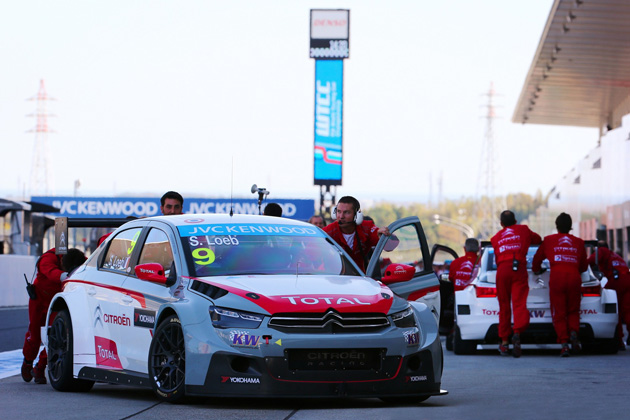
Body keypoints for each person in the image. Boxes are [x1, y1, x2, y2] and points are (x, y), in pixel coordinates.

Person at [22, 248, 85, 384]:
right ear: (61, 261)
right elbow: (50, 272)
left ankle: (40, 367)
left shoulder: (79, 259)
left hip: (56, 303)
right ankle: (27, 361)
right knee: (34, 335)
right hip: (38, 300)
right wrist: (65, 275)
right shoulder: (48, 258)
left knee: (55, 337)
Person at [532, 213, 587, 357]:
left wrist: (537, 271)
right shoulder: (579, 242)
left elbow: (536, 261)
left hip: (557, 279)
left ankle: (564, 344)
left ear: (556, 226)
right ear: (570, 227)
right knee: (574, 310)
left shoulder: (549, 240)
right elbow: (584, 267)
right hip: (574, 277)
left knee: (559, 313)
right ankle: (574, 332)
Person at [490, 210, 542, 357]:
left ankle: (505, 342)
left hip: (502, 271)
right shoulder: (523, 230)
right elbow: (538, 239)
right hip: (518, 268)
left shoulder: (495, 238)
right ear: (515, 221)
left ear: (501, 224)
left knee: (504, 306)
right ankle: (517, 332)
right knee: (519, 303)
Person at [323, 196, 390, 272]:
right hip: (335, 277)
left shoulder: (367, 228)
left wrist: (384, 235)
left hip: (359, 278)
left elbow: (389, 247)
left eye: (346, 212)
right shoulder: (328, 231)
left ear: (357, 215)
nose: (341, 217)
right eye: (338, 211)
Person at [588, 241, 630, 350]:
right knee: (627, 311)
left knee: (614, 311)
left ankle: (619, 341)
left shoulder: (601, 251)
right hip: (627, 281)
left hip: (616, 282)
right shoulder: (616, 256)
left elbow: (590, 261)